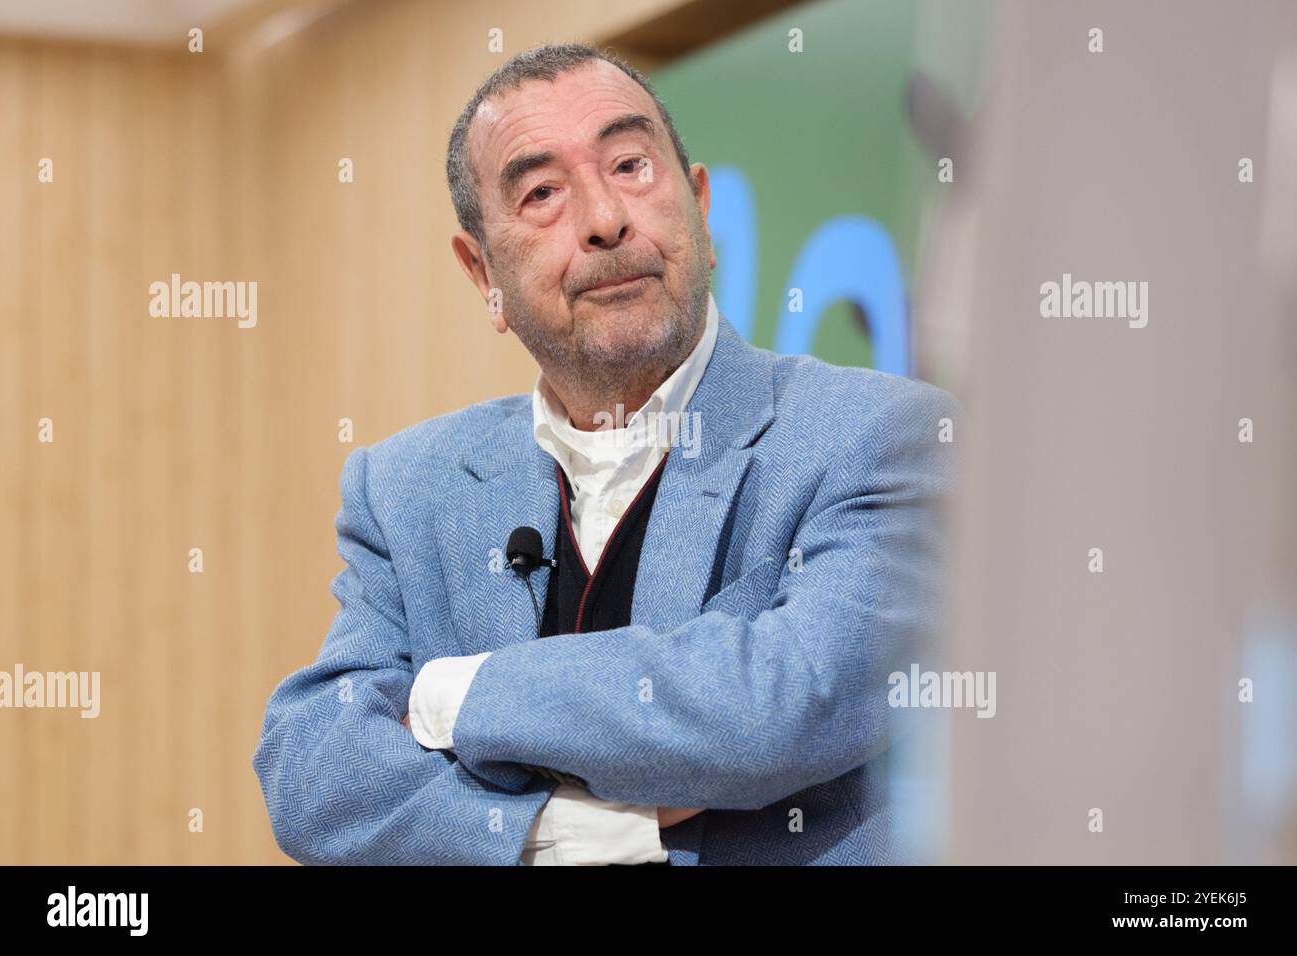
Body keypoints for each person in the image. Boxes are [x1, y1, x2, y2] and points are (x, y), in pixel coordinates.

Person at [253, 41, 956, 865]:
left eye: (630, 166)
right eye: (542, 193)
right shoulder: (407, 488)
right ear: (482, 274)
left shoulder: (879, 436)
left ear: (700, 209)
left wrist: (451, 692)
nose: (604, 219)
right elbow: (312, 769)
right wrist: (571, 833)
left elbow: (783, 702)